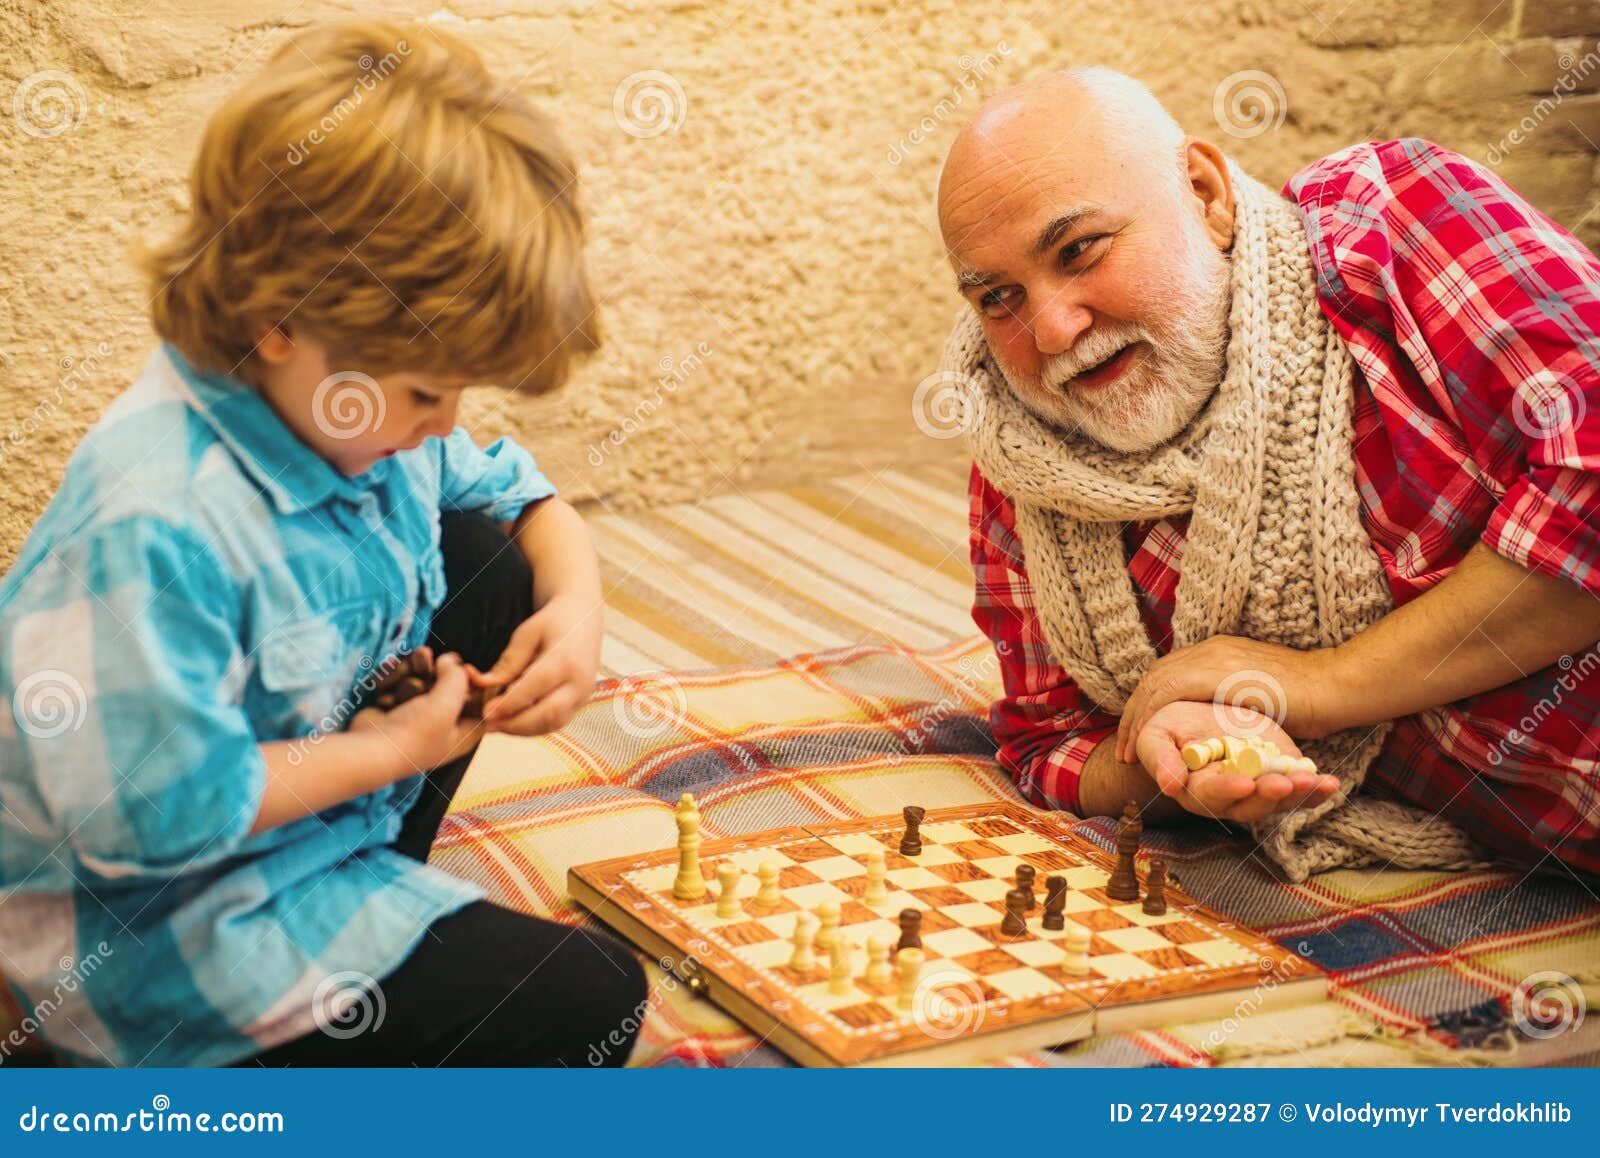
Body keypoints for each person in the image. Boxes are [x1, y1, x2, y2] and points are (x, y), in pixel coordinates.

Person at [0, 19, 646, 1067]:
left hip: (303, 830)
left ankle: (369, 904)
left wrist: (575, 607)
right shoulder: (157, 521)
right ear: (278, 318)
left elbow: (521, 496)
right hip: (156, 941)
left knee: (490, 551)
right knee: (597, 997)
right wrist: (388, 750)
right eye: (426, 390)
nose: (445, 423)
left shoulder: (352, 414)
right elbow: (159, 816)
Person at [939, 69, 1600, 880]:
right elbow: (1049, 743)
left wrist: (1318, 684)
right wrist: (1171, 759)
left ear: (1205, 194)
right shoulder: (1021, 469)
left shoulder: (1385, 220)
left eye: (1079, 251)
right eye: (999, 297)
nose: (1050, 330)